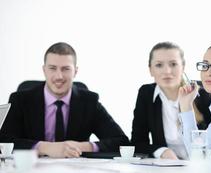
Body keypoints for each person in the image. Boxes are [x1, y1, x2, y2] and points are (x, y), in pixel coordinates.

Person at [0, 42, 129, 158]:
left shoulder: (89, 101)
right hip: (31, 170)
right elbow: (4, 141)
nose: (59, 76)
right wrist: (46, 147)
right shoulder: (20, 100)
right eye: (52, 68)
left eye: (66, 69)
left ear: (76, 71)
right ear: (44, 70)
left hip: (75, 171)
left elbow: (121, 141)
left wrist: (80, 146)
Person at [131, 42, 211, 160]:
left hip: (203, 167)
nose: (167, 71)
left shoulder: (203, 92)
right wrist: (162, 151)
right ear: (150, 70)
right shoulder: (146, 94)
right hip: (168, 170)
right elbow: (137, 142)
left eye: (173, 64)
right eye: (159, 65)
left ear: (183, 67)